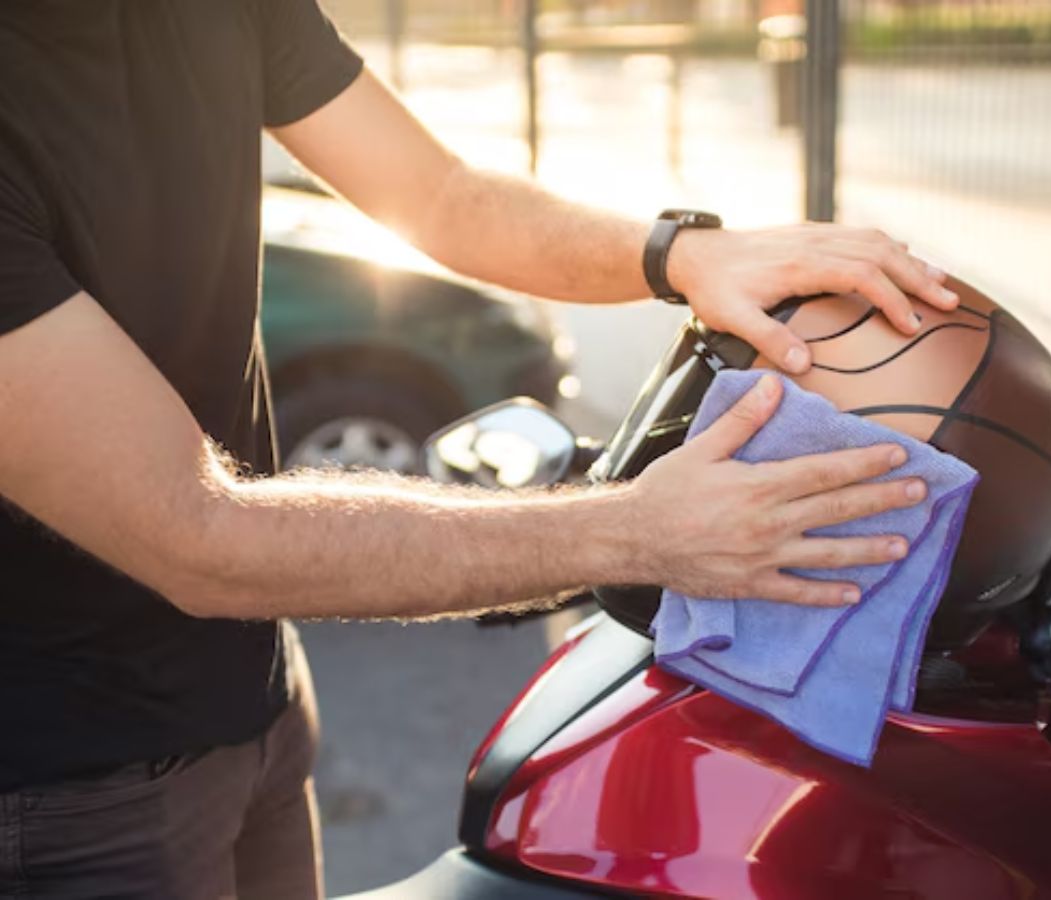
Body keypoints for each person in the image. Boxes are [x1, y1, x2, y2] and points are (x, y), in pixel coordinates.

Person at [0, 2, 959, 897]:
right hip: (73, 784)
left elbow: (443, 197)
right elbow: (193, 535)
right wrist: (637, 532)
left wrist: (685, 255)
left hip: (255, 698)